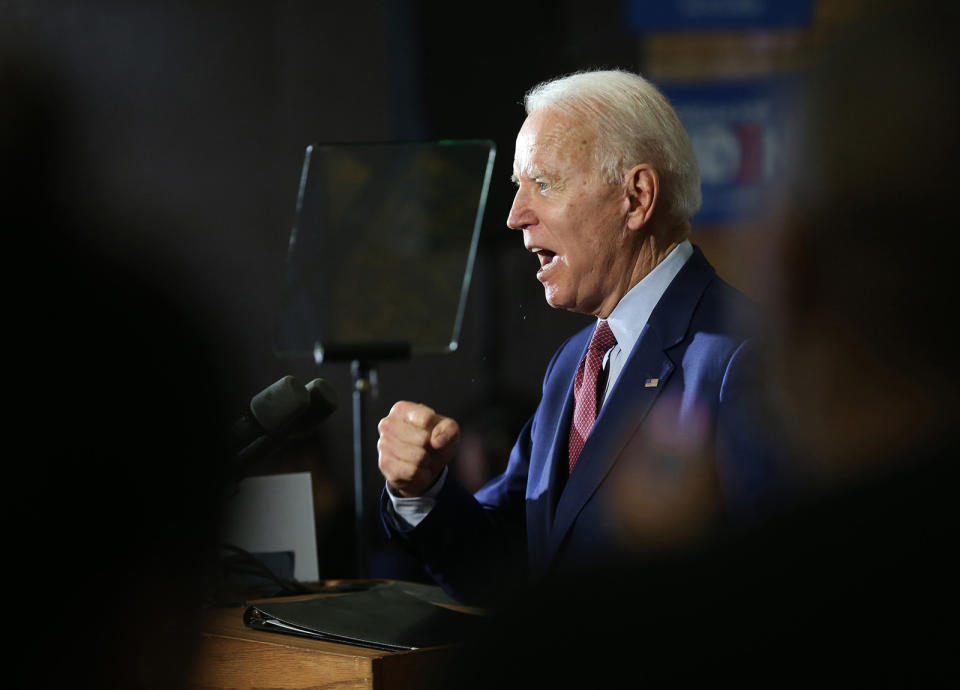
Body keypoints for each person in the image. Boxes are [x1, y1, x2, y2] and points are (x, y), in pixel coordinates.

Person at [376, 69, 786, 605]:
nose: (515, 215)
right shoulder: (576, 362)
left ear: (636, 198)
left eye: (543, 184)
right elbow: (511, 560)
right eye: (517, 188)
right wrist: (421, 490)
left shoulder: (741, 358)